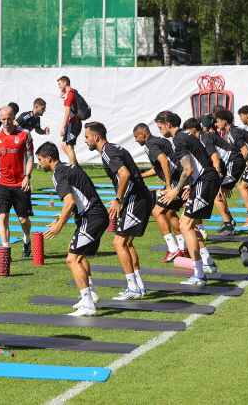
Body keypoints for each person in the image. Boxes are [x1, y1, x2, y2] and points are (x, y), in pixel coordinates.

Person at [38, 142, 108, 316]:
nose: (39, 164)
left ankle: (89, 305)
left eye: (40, 160)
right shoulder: (68, 167)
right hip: (93, 216)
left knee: (72, 259)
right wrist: (62, 217)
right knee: (75, 251)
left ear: (48, 158)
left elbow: (69, 202)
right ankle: (91, 294)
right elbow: (76, 199)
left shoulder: (58, 173)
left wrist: (59, 226)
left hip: (92, 218)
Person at [85, 122, 152, 299]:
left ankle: (133, 288)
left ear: (96, 137)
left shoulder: (107, 151)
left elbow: (125, 174)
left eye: (86, 137)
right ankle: (139, 286)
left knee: (118, 243)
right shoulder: (114, 148)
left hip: (135, 199)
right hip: (138, 197)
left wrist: (118, 200)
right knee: (126, 243)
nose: (85, 141)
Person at [157, 111, 219, 283]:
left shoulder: (179, 139)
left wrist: (175, 190)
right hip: (203, 181)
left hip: (205, 181)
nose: (160, 131)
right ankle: (208, 263)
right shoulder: (186, 135)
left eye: (160, 127)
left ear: (168, 124)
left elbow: (188, 169)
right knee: (188, 223)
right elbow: (200, 162)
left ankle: (199, 274)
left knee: (185, 226)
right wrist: (190, 185)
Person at [133, 123, 187, 262]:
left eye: (136, 137)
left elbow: (164, 161)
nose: (135, 140)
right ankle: (183, 248)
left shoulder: (149, 145)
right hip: (181, 178)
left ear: (143, 134)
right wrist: (140, 176)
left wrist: (168, 185)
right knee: (169, 212)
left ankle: (173, 249)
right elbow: (160, 167)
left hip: (175, 182)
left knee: (157, 212)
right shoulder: (160, 140)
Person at [183, 117, 243, 235]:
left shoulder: (204, 138)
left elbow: (216, 160)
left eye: (187, 133)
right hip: (230, 163)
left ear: (193, 130)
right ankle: (229, 220)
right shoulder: (203, 137)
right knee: (216, 192)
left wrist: (217, 182)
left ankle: (229, 225)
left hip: (234, 162)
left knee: (215, 192)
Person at [0, 106, 35, 257]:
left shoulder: (25, 134)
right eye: (3, 119)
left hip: (21, 184)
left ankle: (27, 240)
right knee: (3, 217)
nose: (6, 122)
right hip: (2, 184)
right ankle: (6, 251)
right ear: (0, 119)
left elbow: (30, 157)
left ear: (14, 117)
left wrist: (27, 177)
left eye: (9, 118)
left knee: (23, 220)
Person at [214, 108, 248, 229]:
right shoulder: (233, 132)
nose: (216, 124)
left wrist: (244, 165)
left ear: (224, 122)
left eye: (217, 121)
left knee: (242, 187)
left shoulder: (234, 133)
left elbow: (245, 151)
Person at [57, 76, 81, 166]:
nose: (58, 86)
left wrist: (63, 128)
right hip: (73, 123)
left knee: (70, 147)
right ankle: (76, 167)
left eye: (60, 84)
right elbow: (61, 95)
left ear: (65, 83)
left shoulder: (69, 95)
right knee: (64, 145)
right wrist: (62, 89)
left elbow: (67, 112)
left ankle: (74, 169)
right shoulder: (71, 91)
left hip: (73, 123)